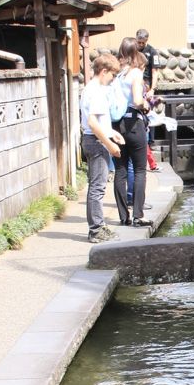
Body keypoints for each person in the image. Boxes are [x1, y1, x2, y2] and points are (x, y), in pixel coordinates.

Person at [80, 53, 124, 244]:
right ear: (104, 71)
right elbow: (92, 123)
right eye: (112, 76)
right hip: (96, 142)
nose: (113, 80)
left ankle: (97, 227)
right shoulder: (96, 91)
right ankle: (96, 230)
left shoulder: (90, 89)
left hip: (93, 139)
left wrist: (111, 132)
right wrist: (110, 144)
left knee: (96, 186)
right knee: (97, 187)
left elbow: (97, 121)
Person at [112, 37, 152, 227]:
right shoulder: (135, 73)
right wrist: (146, 105)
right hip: (133, 124)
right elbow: (137, 100)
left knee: (120, 170)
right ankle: (138, 215)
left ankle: (123, 217)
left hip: (116, 125)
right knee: (139, 170)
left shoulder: (116, 74)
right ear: (136, 52)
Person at [136, 28, 161, 172]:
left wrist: (152, 89)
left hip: (146, 84)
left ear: (146, 41)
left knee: (148, 115)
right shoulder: (133, 49)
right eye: (138, 42)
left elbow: (155, 71)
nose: (140, 44)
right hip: (136, 83)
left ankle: (150, 141)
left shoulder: (152, 51)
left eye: (142, 42)